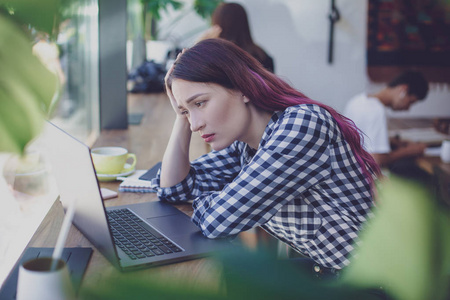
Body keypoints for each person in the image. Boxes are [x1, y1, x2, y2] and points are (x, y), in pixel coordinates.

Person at [151, 39, 381, 274]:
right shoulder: (246, 145)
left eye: (200, 103)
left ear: (241, 88)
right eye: (187, 112)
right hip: (328, 269)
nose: (195, 124)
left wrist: (226, 198)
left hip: (376, 281)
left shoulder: (302, 126)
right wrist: (180, 114)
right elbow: (174, 188)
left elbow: (217, 221)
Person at [344, 71, 429, 171]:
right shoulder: (376, 110)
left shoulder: (357, 100)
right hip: (365, 177)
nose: (408, 108)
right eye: (410, 102)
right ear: (403, 89)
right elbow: (377, 159)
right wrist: (410, 151)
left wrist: (390, 141)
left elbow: (362, 139)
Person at [198, 2, 275, 73]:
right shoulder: (262, 56)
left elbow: (190, 74)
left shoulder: (214, 58)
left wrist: (200, 44)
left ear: (217, 25)